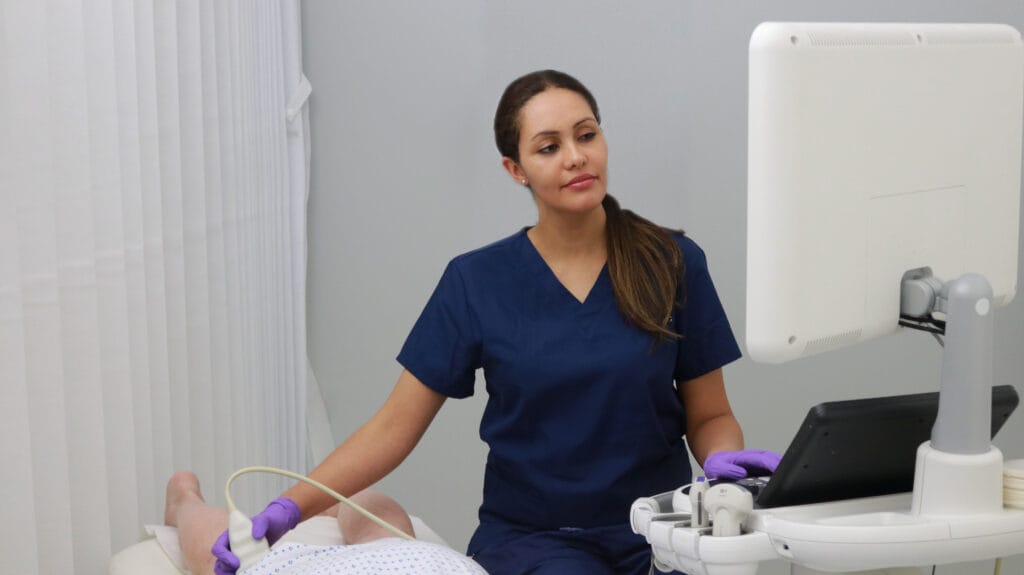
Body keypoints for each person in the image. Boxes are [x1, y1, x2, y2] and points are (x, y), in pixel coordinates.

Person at [213, 69, 781, 574]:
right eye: (548, 147)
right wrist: (287, 509)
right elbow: (392, 428)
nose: (576, 157)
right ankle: (187, 501)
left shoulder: (673, 262)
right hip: (536, 543)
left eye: (587, 135)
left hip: (661, 531)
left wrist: (722, 472)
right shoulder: (476, 282)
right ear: (516, 170)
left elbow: (710, 414)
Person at [164, 471, 487, 574]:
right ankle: (185, 498)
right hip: (423, 565)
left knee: (384, 528)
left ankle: (184, 498)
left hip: (432, 565)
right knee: (223, 554)